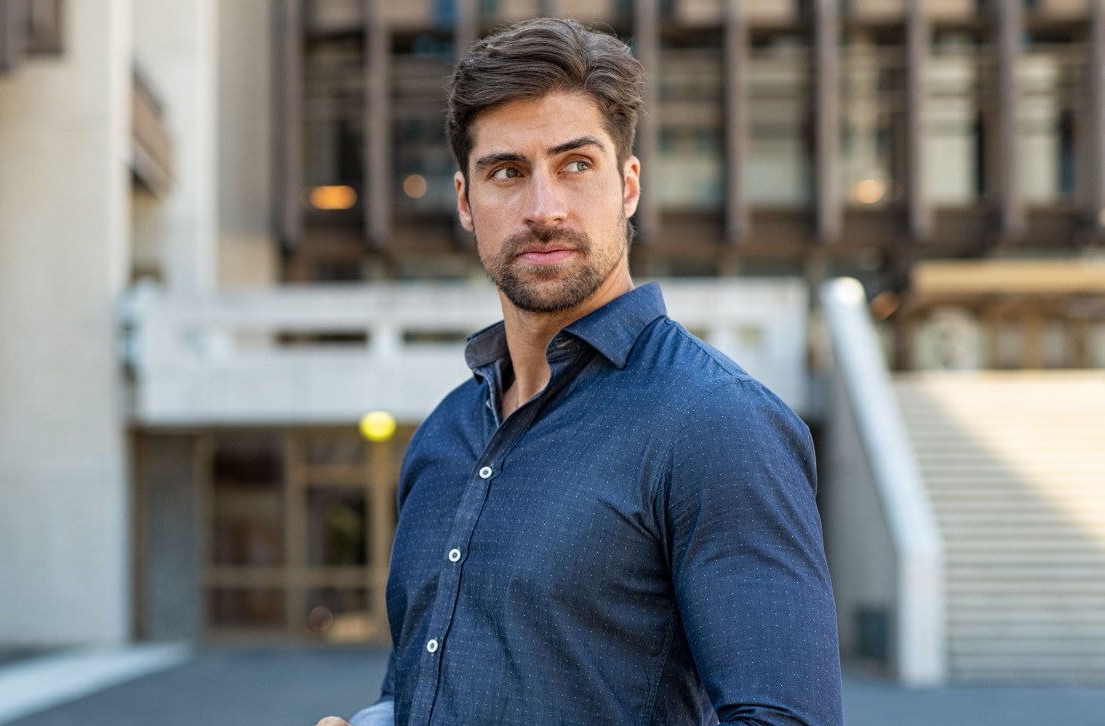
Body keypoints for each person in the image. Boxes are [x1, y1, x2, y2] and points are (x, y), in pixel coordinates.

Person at [317, 17, 842, 726]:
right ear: (467, 203)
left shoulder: (717, 424)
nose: (543, 209)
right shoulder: (443, 437)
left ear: (628, 185)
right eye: (508, 172)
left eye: (575, 165)